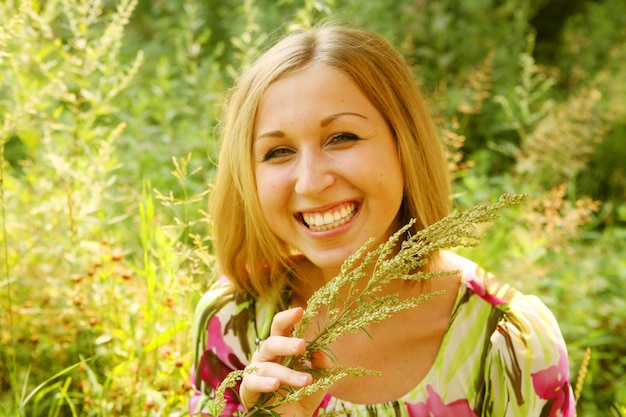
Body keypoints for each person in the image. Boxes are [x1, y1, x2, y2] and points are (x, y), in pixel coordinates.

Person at [189, 25, 576, 417]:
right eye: (279, 151)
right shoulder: (232, 322)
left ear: (404, 144)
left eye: (341, 137)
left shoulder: (511, 343)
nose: (310, 181)